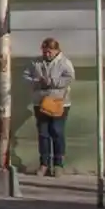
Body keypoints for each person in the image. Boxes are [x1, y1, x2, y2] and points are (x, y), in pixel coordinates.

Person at [25, 37, 75, 177]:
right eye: (44, 51)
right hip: (40, 102)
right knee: (43, 133)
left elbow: (69, 78)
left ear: (56, 50)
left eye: (50, 52)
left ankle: (58, 164)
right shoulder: (36, 62)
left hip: (59, 102)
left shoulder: (64, 62)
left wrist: (52, 82)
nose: (47, 54)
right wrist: (37, 82)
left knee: (57, 132)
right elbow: (26, 76)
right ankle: (44, 164)